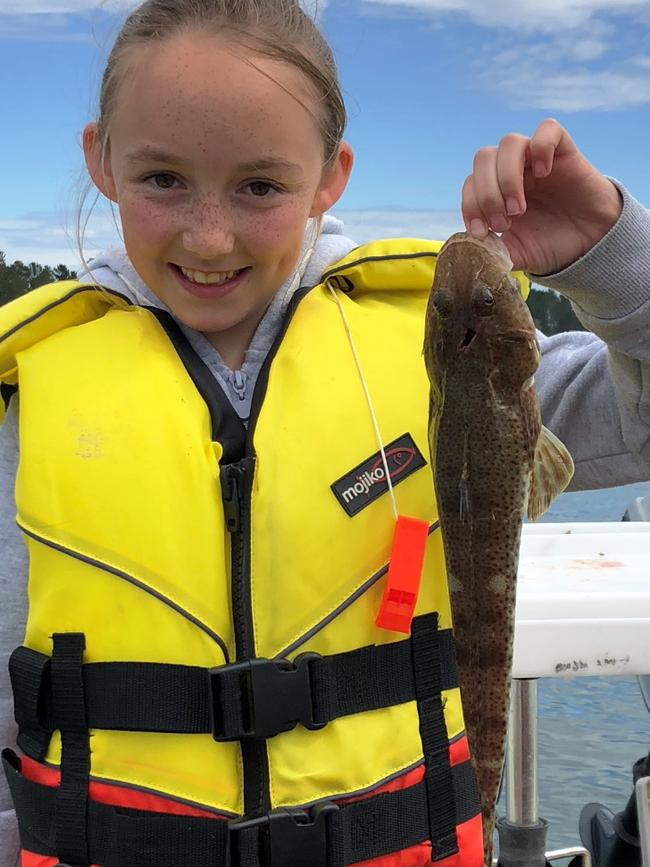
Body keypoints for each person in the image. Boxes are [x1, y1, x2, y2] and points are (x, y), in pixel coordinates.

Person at [0, 1, 649, 865]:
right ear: (101, 160)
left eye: (260, 185)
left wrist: (609, 256)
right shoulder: (32, 396)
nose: (210, 233)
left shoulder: (453, 361)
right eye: (164, 179)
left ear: (330, 177)